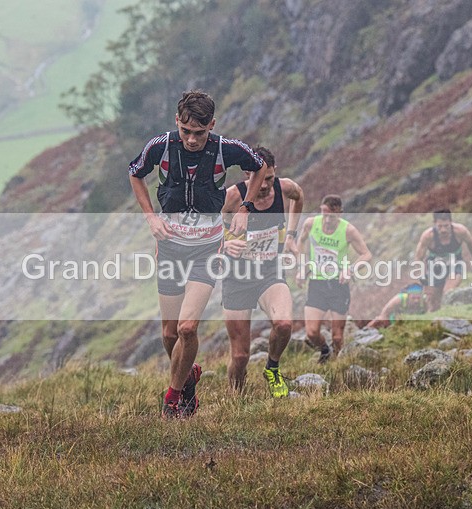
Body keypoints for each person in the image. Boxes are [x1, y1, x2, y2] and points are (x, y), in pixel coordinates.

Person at [129, 90, 268, 418]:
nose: (192, 139)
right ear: (177, 121)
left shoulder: (225, 149)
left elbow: (258, 167)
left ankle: (173, 399)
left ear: (212, 126)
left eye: (200, 133)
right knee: (168, 333)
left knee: (187, 329)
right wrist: (150, 217)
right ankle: (188, 376)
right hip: (170, 248)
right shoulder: (160, 146)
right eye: (186, 131)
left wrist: (246, 207)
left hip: (208, 249)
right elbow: (135, 173)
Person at [221, 146, 304, 397]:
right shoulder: (234, 197)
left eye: (269, 178)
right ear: (247, 174)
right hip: (238, 277)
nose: (265, 185)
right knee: (240, 355)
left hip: (269, 271)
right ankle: (237, 398)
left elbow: (298, 198)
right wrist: (223, 244)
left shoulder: (284, 187)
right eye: (258, 179)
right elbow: (206, 223)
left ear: (275, 172)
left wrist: (291, 235)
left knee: (284, 324)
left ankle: (273, 368)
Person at [296, 195, 372, 362]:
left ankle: (337, 364)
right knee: (311, 332)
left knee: (337, 336)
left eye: (331, 216)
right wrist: (303, 266)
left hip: (339, 285)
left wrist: (350, 270)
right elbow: (300, 242)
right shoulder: (311, 224)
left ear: (339, 214)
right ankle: (325, 350)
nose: (327, 219)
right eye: (324, 214)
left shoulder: (348, 230)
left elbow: (366, 254)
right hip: (317, 284)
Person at [414, 209, 472, 312]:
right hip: (435, 268)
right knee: (432, 303)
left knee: (448, 292)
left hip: (455, 264)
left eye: (446, 226)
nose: (443, 230)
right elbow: (418, 258)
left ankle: (450, 316)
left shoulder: (460, 231)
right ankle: (434, 323)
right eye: (439, 226)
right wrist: (422, 276)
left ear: (451, 223)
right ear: (434, 224)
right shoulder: (428, 236)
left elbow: (471, 244)